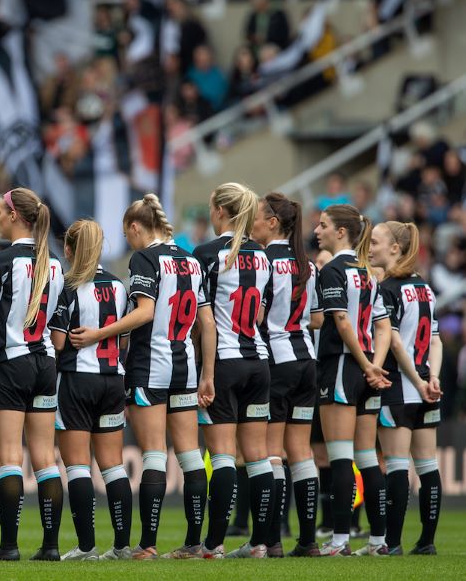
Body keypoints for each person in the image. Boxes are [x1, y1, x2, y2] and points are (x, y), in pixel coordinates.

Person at [69, 194, 216, 559]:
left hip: (151, 364)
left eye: (127, 233)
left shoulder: (145, 258)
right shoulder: (190, 260)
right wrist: (207, 371)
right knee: (190, 456)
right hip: (184, 363)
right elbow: (207, 323)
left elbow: (145, 312)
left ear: (135, 227)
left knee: (153, 454)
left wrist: (99, 334)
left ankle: (147, 545)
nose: (128, 241)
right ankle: (195, 543)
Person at [0, 188, 65, 561]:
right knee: (45, 458)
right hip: (45, 364)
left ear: (15, 216)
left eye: (0, 212)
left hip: (9, 364)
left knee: (9, 457)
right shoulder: (55, 263)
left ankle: (9, 546)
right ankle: (50, 546)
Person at [193, 182, 274, 559]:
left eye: (211, 208)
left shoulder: (206, 254)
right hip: (258, 361)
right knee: (258, 456)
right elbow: (259, 313)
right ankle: (261, 541)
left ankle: (213, 544)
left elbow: (204, 321)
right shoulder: (262, 255)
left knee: (223, 455)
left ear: (221, 211)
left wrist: (205, 373)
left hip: (223, 362)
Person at [48, 220, 131, 561]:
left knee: (78, 466)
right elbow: (123, 338)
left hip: (78, 379)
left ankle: (86, 547)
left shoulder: (67, 286)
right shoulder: (118, 285)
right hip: (113, 379)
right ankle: (123, 546)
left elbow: (57, 341)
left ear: (68, 250)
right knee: (113, 465)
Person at [313, 204, 392, 557]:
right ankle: (378, 541)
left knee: (341, 458)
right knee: (368, 458)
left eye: (324, 225)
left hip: (344, 366)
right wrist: (375, 365)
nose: (318, 230)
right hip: (366, 372)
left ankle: (340, 539)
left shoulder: (332, 270)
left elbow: (342, 322)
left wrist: (363, 363)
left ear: (341, 232)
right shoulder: (369, 273)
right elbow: (382, 325)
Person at [251, 193, 324, 557]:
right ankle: (308, 541)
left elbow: (258, 316)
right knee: (301, 451)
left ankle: (274, 538)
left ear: (273, 223)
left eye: (258, 217)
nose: (253, 223)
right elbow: (315, 317)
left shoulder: (264, 260)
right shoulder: (306, 264)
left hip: (277, 361)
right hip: (306, 361)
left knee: (272, 452)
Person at [370, 222, 443, 555]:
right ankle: (426, 541)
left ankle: (392, 542)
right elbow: (437, 339)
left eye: (375, 242)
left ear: (395, 249)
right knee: (428, 466)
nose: (370, 248)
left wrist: (415, 380)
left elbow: (396, 342)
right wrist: (433, 378)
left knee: (396, 465)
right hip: (428, 386)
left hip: (401, 385)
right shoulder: (424, 287)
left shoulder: (388, 289)